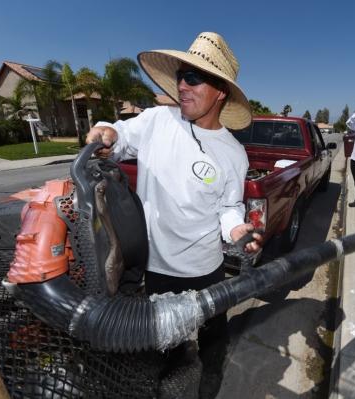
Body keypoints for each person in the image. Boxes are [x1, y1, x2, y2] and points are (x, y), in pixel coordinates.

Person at [85, 32, 262, 397]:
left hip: (207, 271)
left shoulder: (233, 154)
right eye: (181, 76)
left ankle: (209, 385)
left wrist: (238, 230)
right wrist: (105, 132)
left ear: (220, 91)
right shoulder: (158, 121)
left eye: (193, 78)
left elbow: (228, 208)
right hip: (157, 270)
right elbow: (118, 136)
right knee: (163, 351)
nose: (182, 85)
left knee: (213, 342)